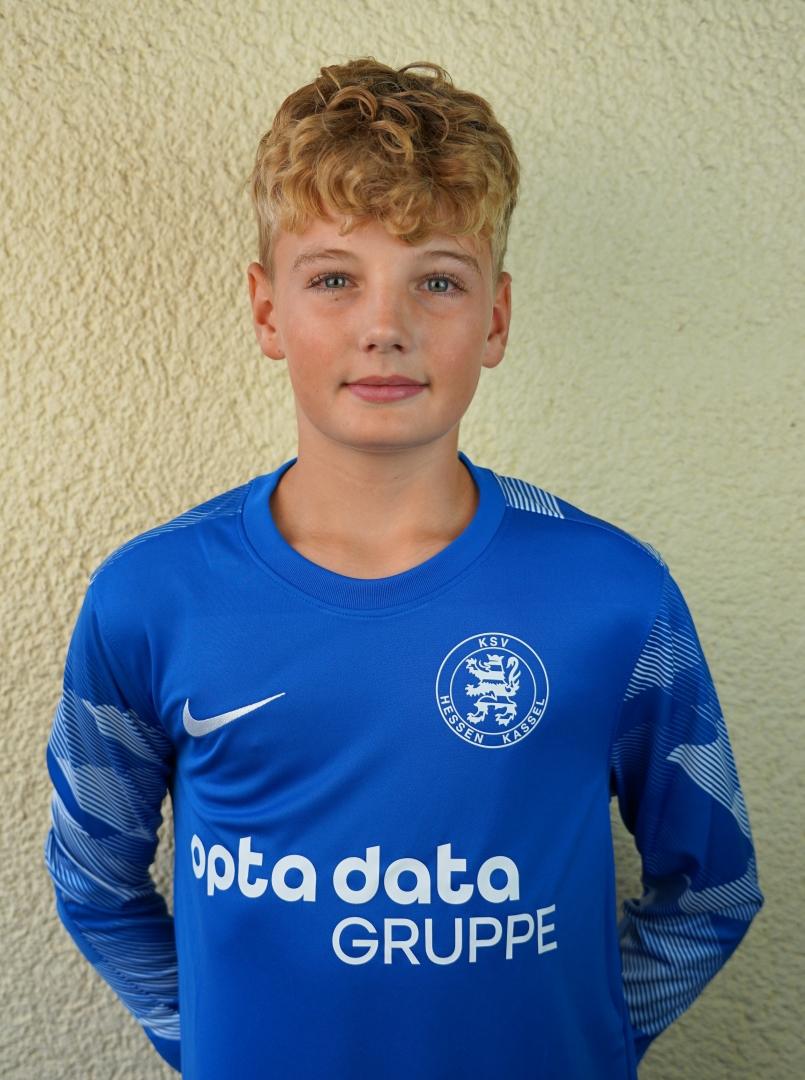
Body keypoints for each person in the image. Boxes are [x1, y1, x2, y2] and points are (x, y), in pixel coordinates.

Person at [45, 59, 762, 1079]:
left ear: (495, 317)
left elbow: (711, 893)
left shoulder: (613, 596)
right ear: (266, 311)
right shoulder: (150, 598)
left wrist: (584, 1044)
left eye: (436, 280)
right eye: (334, 278)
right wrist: (214, 1044)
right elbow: (93, 886)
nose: (385, 326)